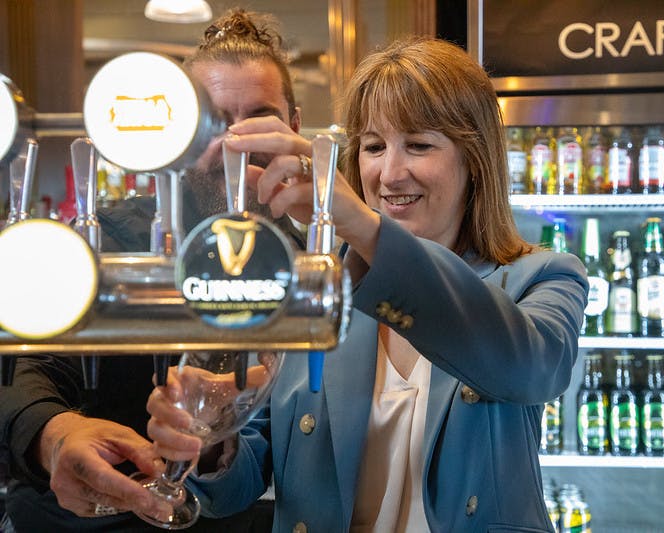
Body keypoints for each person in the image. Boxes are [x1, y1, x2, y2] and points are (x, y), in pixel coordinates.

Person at [146, 37, 589, 532]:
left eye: (418, 145)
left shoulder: (543, 276)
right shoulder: (312, 284)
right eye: (374, 147)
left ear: (475, 159)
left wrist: (360, 224)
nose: (389, 175)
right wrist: (210, 435)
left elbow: (527, 366)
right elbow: (244, 477)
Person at [0, 9, 305, 531]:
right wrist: (55, 435)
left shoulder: (304, 265)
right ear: (182, 132)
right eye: (215, 123)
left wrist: (217, 444)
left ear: (293, 129)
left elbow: (273, 448)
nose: (235, 144)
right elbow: (26, 363)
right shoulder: (107, 239)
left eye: (259, 120)